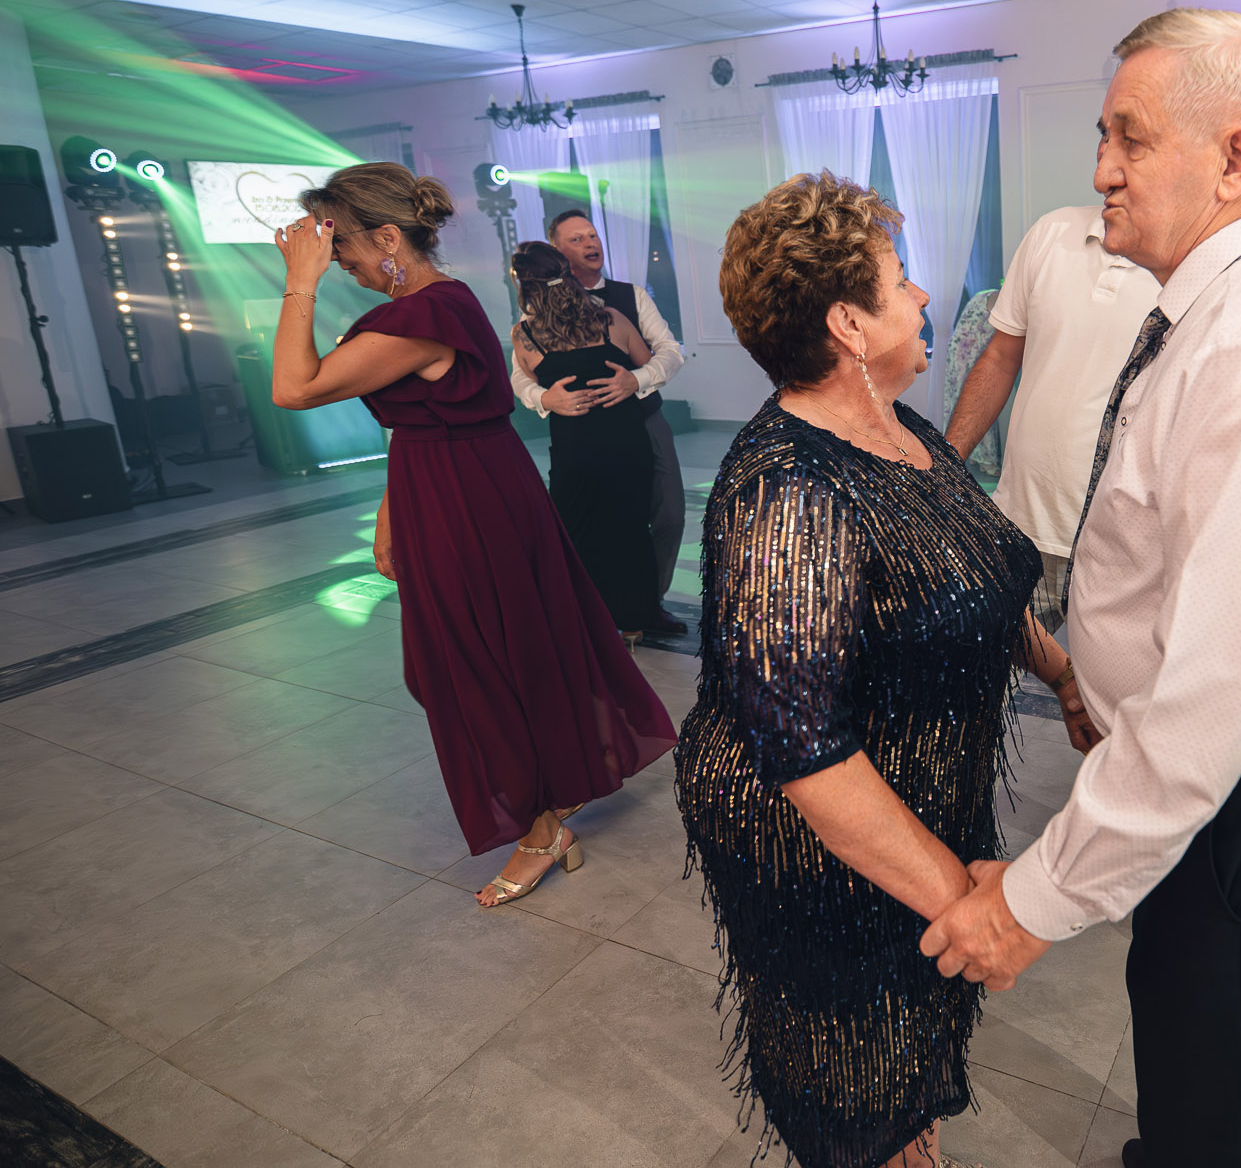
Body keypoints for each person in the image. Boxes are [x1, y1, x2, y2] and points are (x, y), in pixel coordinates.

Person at [920, 9, 1241, 1168]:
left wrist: (1029, 903)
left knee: (1217, 1106)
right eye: (1102, 136)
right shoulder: (1222, 306)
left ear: (1234, 158)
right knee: (1189, 1056)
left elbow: (1214, 696)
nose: (1100, 171)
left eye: (1128, 138)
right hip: (1227, 791)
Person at [672, 172, 1092, 1168]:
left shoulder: (903, 430)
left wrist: (1063, 676)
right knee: (858, 1072)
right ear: (849, 325)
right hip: (817, 838)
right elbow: (805, 752)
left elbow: (978, 574)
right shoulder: (788, 489)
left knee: (910, 1034)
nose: (923, 296)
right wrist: (963, 899)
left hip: (915, 793)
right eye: (900, 280)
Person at [269, 163, 674, 907]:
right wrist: (392, 512)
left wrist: (299, 282)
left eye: (343, 246)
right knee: (479, 656)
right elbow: (421, 421)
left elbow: (293, 387)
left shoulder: (424, 316)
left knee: (474, 663)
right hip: (453, 486)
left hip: (467, 499)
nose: (338, 261)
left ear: (388, 239)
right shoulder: (430, 307)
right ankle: (554, 783)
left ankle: (543, 829)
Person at [943, 205, 1161, 632]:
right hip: (1021, 525)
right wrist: (946, 463)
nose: (1105, 171)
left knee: (1105, 676)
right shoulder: (1051, 231)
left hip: (1123, 546)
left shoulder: (1191, 265)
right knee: (988, 663)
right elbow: (1000, 358)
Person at [509, 208, 690, 635]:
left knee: (666, 515)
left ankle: (646, 603)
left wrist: (635, 380)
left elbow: (670, 352)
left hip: (642, 418)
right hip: (587, 437)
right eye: (577, 239)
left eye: (593, 235)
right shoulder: (529, 326)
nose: (591, 243)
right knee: (605, 523)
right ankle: (614, 610)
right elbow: (520, 379)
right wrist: (545, 398)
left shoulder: (630, 297)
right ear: (557, 252)